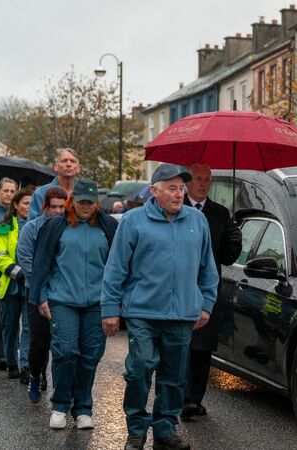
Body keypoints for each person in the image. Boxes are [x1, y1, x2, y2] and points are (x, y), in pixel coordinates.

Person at [101, 164, 218, 450]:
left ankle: (165, 430)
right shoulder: (132, 221)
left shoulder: (197, 221)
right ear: (154, 191)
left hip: (182, 314)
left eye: (181, 189)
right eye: (172, 188)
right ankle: (136, 430)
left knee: (174, 377)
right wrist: (109, 309)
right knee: (140, 369)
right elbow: (115, 268)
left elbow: (208, 268)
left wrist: (206, 304)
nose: (179, 194)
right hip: (142, 312)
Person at [30, 179, 118, 429]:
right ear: (73, 201)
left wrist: (116, 302)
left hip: (97, 302)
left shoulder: (108, 226)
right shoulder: (56, 225)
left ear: (97, 203)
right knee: (66, 351)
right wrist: (41, 295)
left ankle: (83, 408)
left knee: (90, 356)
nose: (86, 206)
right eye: (81, 202)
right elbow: (41, 262)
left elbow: (118, 265)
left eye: (90, 202)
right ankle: (60, 405)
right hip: (62, 300)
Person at [180, 163, 242, 421]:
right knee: (181, 345)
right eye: (197, 178)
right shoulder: (175, 207)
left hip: (208, 288)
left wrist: (235, 240)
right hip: (180, 286)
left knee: (202, 347)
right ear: (187, 182)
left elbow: (227, 257)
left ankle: (195, 400)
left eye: (207, 179)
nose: (202, 183)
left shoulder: (219, 213)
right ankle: (179, 398)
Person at [18, 186, 68, 401]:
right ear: (45, 206)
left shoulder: (70, 227)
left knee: (63, 343)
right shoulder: (32, 228)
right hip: (37, 290)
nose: (57, 211)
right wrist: (43, 288)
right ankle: (36, 375)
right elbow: (26, 259)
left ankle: (62, 387)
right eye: (53, 207)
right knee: (39, 341)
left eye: (61, 207)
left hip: (62, 292)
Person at [0, 188, 31, 380]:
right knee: (9, 327)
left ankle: (26, 365)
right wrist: (18, 273)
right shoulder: (4, 227)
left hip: (30, 286)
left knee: (28, 327)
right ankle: (11, 362)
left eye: (32, 203)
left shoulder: (37, 224)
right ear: (16, 205)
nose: (29, 207)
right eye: (25, 203)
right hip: (10, 285)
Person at [0, 177, 17, 371]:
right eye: (5, 191)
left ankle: (1, 353)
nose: (8, 194)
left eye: (12, 191)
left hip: (4, 273)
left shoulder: (14, 216)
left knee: (2, 314)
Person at [28, 148, 80, 221]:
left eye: (73, 161)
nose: (68, 164)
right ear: (56, 167)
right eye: (64, 161)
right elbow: (32, 228)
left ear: (78, 168)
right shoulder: (40, 194)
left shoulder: (86, 193)